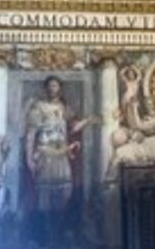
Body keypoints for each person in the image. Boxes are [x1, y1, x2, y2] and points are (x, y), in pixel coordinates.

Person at [24, 76, 98, 245]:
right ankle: (47, 237)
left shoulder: (65, 108)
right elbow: (30, 134)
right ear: (46, 88)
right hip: (44, 153)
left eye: (56, 86)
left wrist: (88, 120)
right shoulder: (38, 107)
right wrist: (29, 158)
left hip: (62, 155)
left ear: (60, 88)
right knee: (45, 198)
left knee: (64, 196)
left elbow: (73, 127)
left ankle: (59, 235)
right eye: (50, 86)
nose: (53, 89)